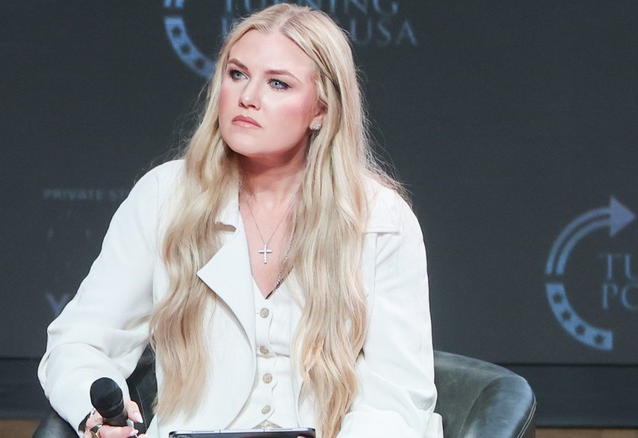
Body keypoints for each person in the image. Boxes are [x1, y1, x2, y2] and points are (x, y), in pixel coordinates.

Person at [38, 4, 443, 438]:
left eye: (277, 83)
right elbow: (80, 341)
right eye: (237, 74)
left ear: (321, 110)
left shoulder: (381, 219)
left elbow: (397, 397)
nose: (248, 96)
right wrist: (97, 414)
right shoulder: (164, 196)